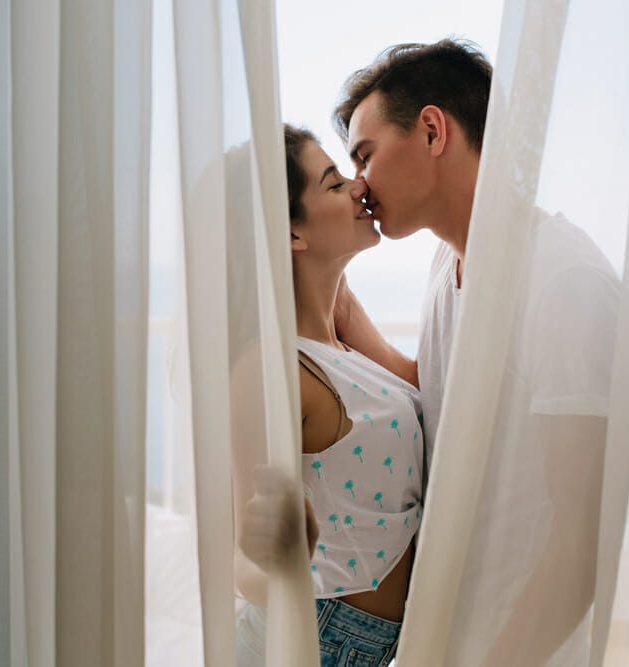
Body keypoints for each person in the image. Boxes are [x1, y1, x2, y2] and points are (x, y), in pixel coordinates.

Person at [331, 39, 621, 666]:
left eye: (365, 154)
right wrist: (343, 309)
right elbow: (448, 397)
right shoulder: (451, 260)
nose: (358, 182)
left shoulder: (564, 280)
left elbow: (583, 540)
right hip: (443, 630)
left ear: (433, 129)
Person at [232, 125, 424, 667]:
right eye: (335, 183)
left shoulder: (338, 335)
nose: (360, 187)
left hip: (357, 643)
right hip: (313, 640)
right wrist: (277, 558)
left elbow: (423, 387)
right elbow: (239, 564)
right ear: (293, 235)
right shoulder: (266, 368)